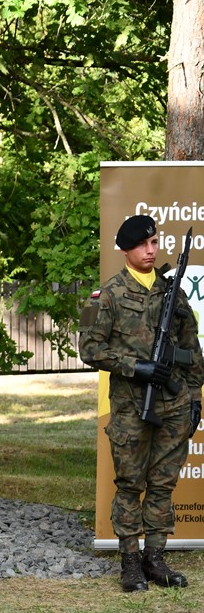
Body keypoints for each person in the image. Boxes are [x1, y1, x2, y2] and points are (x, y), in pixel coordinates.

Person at [79, 214, 204, 593]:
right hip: (132, 407)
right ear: (125, 250)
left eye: (153, 243)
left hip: (174, 404)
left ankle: (155, 557)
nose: (150, 250)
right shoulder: (106, 295)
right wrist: (138, 367)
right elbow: (89, 349)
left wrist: (194, 396)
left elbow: (191, 349)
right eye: (141, 245)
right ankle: (130, 561)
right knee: (131, 484)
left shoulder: (173, 291)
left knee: (163, 484)